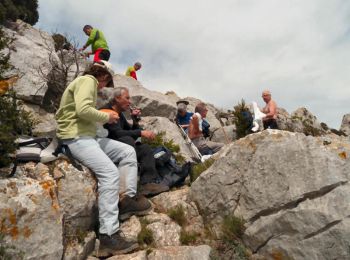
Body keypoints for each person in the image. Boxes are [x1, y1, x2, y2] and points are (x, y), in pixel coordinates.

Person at [55, 61, 151, 257]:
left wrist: (102, 119)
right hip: (76, 136)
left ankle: (126, 199)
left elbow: (82, 112)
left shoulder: (85, 84)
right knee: (109, 173)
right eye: (106, 83)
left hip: (89, 136)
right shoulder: (88, 80)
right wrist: (107, 117)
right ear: (103, 76)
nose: (104, 88)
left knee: (127, 152)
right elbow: (82, 110)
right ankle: (108, 235)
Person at [101, 87, 169, 195]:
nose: (129, 101)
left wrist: (134, 118)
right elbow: (118, 133)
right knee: (127, 139)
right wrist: (140, 133)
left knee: (145, 149)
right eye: (127, 98)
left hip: (124, 148)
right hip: (109, 148)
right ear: (117, 98)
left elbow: (130, 130)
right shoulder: (108, 111)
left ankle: (148, 184)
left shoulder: (120, 114)